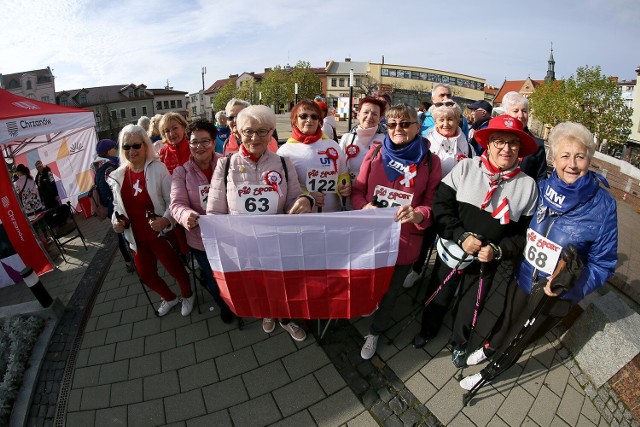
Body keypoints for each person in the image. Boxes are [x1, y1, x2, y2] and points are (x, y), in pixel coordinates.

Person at [460, 122, 618, 390]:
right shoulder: (541, 188)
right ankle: (490, 347)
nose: (572, 164)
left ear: (589, 160)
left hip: (552, 292)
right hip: (522, 275)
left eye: (579, 156)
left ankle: (493, 370)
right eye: (564, 156)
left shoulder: (604, 206)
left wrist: (570, 286)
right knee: (507, 318)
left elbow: (603, 263)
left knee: (521, 336)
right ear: (553, 159)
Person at [416, 115, 539, 367]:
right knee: (439, 293)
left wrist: (497, 250)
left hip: (486, 260)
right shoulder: (466, 168)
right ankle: (428, 330)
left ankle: (459, 342)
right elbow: (441, 207)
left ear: (520, 149)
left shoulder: (528, 186)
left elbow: (523, 234)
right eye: (499, 141)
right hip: (453, 248)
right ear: (489, 144)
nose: (506, 148)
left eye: (513, 143)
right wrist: (460, 235)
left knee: (472, 305)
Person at [206, 105, 314, 341]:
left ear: (272, 132)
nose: (255, 138)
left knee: (281, 283)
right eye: (248, 131)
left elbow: (295, 199)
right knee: (257, 284)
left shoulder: (283, 164)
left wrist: (306, 200)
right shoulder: (225, 166)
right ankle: (267, 313)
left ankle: (284, 318)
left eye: (262, 131)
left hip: (277, 241)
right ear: (238, 132)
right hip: (244, 243)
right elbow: (214, 211)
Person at [352, 104, 442, 360]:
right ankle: (366, 307)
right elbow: (358, 191)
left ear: (417, 126)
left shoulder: (429, 160)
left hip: (404, 238)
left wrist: (419, 214)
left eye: (404, 123)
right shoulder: (375, 152)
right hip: (370, 235)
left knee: (391, 291)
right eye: (392, 124)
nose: (398, 129)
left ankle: (375, 331)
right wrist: (364, 205)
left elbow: (431, 202)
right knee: (367, 280)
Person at [108, 125, 194, 317]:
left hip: (159, 234)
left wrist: (165, 220)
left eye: (136, 145)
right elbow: (116, 207)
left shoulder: (158, 168)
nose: (131, 151)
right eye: (126, 147)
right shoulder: (118, 176)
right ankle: (170, 298)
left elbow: (173, 201)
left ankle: (187, 295)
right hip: (135, 237)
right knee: (146, 275)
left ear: (146, 146)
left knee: (175, 269)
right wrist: (116, 221)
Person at [170, 119, 235, 324]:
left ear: (213, 141)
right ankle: (225, 306)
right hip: (201, 241)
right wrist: (185, 215)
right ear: (188, 144)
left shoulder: (228, 164)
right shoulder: (182, 173)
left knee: (234, 275)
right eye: (194, 142)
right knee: (215, 281)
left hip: (230, 235)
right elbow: (176, 204)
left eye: (205, 141)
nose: (200, 147)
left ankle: (239, 302)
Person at [277, 100, 351, 212]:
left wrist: (343, 186)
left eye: (314, 116)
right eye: (303, 116)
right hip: (305, 217)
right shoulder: (285, 151)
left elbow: (342, 174)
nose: (309, 120)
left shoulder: (333, 145)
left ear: (320, 121)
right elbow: (282, 188)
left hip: (334, 214)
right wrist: (308, 196)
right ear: (295, 120)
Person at [92, 139, 134, 272]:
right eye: (113, 147)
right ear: (107, 151)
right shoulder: (109, 166)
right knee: (124, 232)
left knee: (121, 232)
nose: (115, 149)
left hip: (111, 206)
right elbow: (111, 189)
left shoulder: (99, 166)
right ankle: (131, 261)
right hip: (117, 206)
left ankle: (130, 261)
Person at [338, 96, 387, 184]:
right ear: (358, 114)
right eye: (366, 112)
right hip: (348, 189)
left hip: (372, 190)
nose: (369, 117)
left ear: (380, 118)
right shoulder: (347, 138)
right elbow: (339, 165)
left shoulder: (385, 140)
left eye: (375, 114)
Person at [501, 91, 548, 181]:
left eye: (524, 111)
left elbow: (541, 179)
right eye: (516, 111)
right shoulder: (496, 139)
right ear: (505, 114)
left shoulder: (536, 145)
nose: (521, 115)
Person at [424, 102, 474, 176]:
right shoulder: (425, 145)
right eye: (441, 120)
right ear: (435, 122)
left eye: (450, 119)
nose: (446, 124)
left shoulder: (468, 148)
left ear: (457, 122)